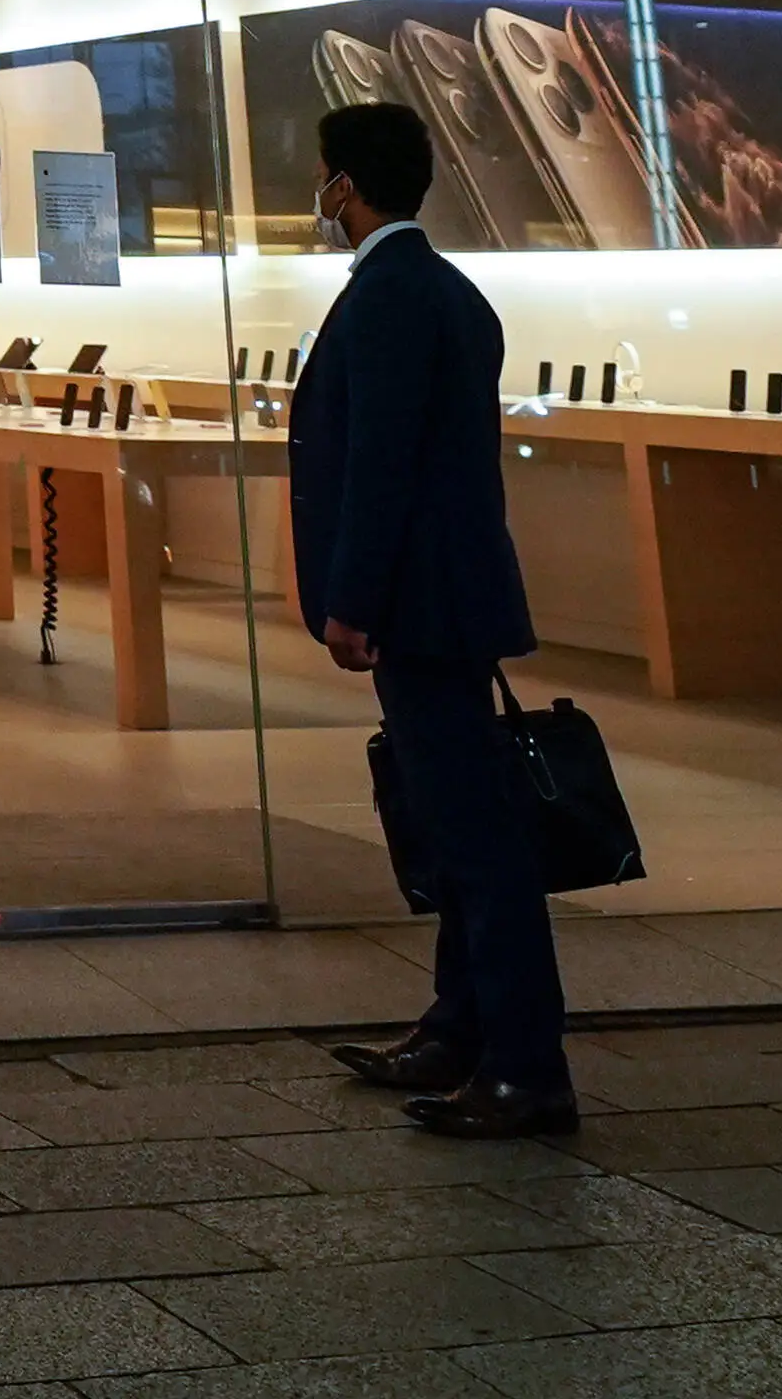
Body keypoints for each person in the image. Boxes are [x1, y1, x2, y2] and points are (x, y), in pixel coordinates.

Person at [290, 97, 576, 1134]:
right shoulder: (446, 290)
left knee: (479, 840)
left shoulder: (388, 298)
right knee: (459, 829)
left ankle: (522, 1065)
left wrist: (347, 600)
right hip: (445, 597)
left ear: (345, 187)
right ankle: (456, 1026)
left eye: (322, 175)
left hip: (417, 605)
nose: (316, 195)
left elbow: (379, 466)